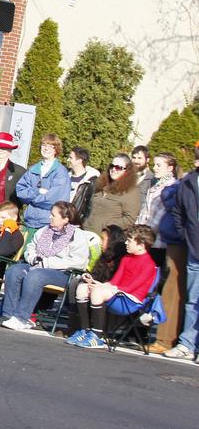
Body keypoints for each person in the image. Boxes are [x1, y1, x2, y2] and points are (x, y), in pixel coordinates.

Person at [0, 201, 91, 331]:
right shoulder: (45, 230)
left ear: (66, 219)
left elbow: (79, 261)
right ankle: (8, 314)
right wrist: (33, 258)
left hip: (64, 274)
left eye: (53, 215)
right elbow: (31, 247)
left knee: (35, 276)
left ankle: (21, 318)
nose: (50, 217)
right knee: (14, 271)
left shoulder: (77, 235)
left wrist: (48, 262)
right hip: (38, 266)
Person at [65, 225, 157, 349]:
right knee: (83, 288)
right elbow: (114, 282)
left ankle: (97, 336)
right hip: (117, 293)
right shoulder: (127, 258)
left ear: (141, 245)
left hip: (130, 300)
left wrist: (103, 289)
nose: (126, 243)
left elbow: (130, 288)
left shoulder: (148, 264)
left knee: (97, 292)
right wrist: (97, 283)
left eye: (130, 240)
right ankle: (85, 331)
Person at [163, 144, 199, 360]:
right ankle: (187, 344)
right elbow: (178, 211)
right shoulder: (188, 182)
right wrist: (186, 234)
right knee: (193, 300)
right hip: (195, 249)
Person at [16, 133, 72, 229]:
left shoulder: (61, 172)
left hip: (49, 223)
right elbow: (20, 192)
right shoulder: (33, 169)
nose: (46, 149)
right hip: (29, 221)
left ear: (56, 150)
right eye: (43, 145)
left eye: (50, 146)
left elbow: (55, 200)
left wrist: (31, 199)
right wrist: (37, 191)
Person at [137, 153, 179, 269]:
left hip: (157, 241)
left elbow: (161, 216)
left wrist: (143, 234)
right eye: (154, 165)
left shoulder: (172, 187)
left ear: (170, 168)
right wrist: (136, 229)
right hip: (144, 237)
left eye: (159, 165)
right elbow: (144, 211)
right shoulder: (156, 185)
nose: (155, 168)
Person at [83, 153, 141, 234]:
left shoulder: (131, 191)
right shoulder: (102, 185)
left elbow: (130, 218)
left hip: (107, 238)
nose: (113, 169)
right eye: (112, 166)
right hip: (87, 232)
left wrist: (107, 226)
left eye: (118, 167)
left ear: (127, 170)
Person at [68, 146, 100, 221]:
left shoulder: (90, 182)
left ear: (79, 160)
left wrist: (81, 222)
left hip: (75, 222)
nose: (68, 160)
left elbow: (90, 207)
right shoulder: (65, 177)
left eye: (71, 158)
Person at [132, 144, 155, 212]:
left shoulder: (152, 179)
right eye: (134, 157)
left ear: (147, 160)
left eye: (139, 158)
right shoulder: (126, 176)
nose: (136, 161)